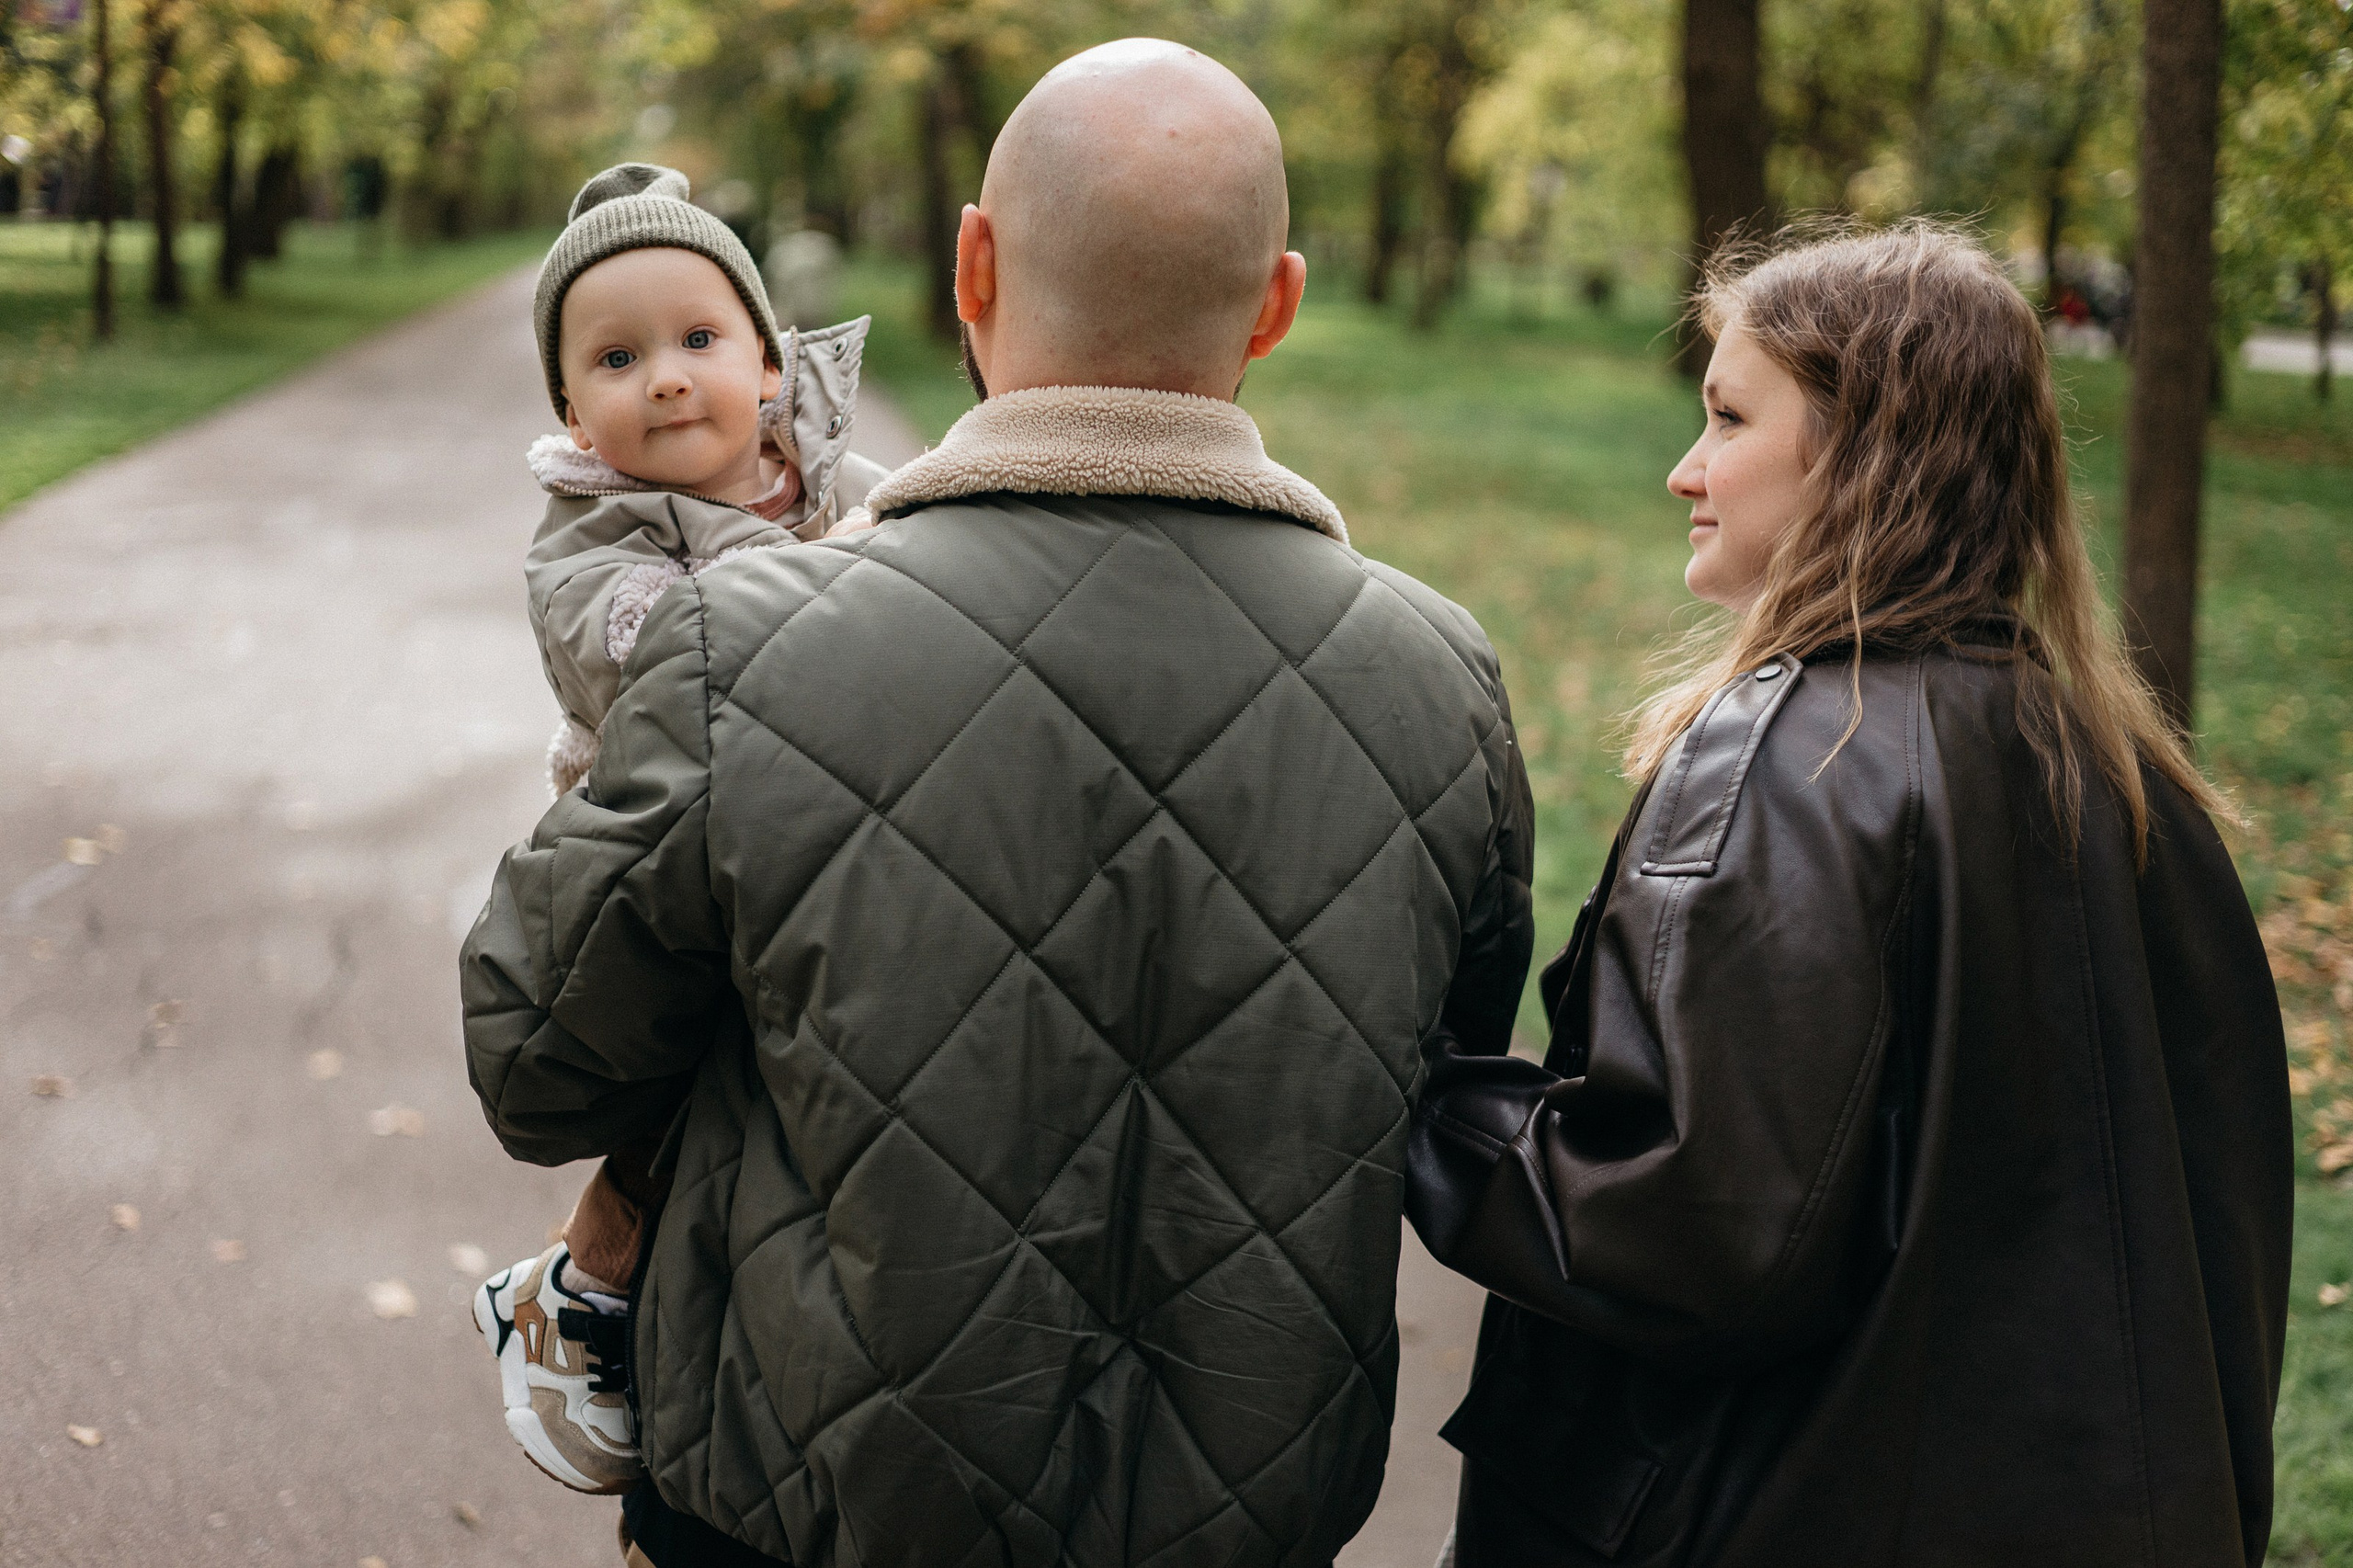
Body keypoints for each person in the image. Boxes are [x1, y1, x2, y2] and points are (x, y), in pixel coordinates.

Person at [460, 40, 1534, 1568]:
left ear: (972, 265)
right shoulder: (1445, 684)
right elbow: (1445, 1086)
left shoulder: (744, 646)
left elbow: (536, 1062)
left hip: (803, 1517)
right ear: (1277, 304)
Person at [1406, 222, 2292, 1566]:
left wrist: (1424, 1103)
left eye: (1728, 415)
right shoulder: (2133, 783)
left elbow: (1683, 1224)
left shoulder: (1788, 755)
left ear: (1864, 446)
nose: (1684, 468)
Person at [467, 161, 890, 1498]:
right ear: (571, 410)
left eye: (699, 340)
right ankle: (585, 1286)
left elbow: (935, 546)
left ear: (767, 364)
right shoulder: (585, 543)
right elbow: (671, 656)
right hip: (660, 843)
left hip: (800, 818)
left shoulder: (829, 474)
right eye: (617, 355)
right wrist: (850, 563)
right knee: (694, 1062)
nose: (665, 376)